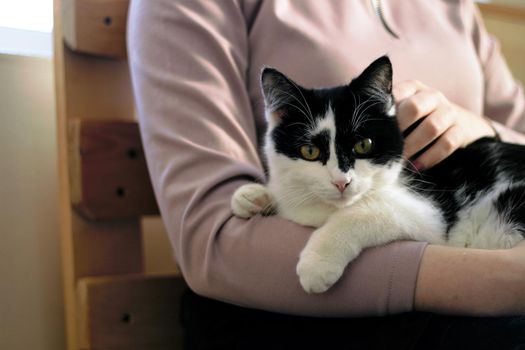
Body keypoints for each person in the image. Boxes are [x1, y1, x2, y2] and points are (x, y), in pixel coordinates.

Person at [127, 0, 525, 348]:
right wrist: (494, 281)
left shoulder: (455, 6)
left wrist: (481, 128)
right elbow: (209, 237)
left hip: (478, 216)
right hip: (288, 313)